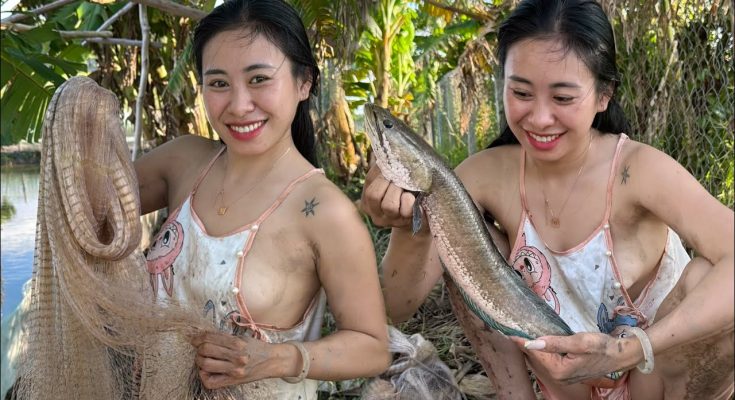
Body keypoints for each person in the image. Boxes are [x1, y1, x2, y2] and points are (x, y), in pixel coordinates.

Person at [360, 0, 734, 399]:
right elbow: (395, 308)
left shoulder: (639, 170)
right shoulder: (483, 176)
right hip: (566, 384)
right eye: (521, 92)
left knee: (707, 280)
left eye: (563, 98)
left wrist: (631, 348)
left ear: (603, 95)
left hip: (653, 381)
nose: (539, 118)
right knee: (472, 251)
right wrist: (411, 227)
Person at [134, 0, 390, 397]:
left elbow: (372, 347)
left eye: (259, 79)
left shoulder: (325, 212)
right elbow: (88, 207)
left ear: (304, 82)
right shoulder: (182, 162)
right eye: (219, 83)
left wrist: (276, 359)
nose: (239, 106)